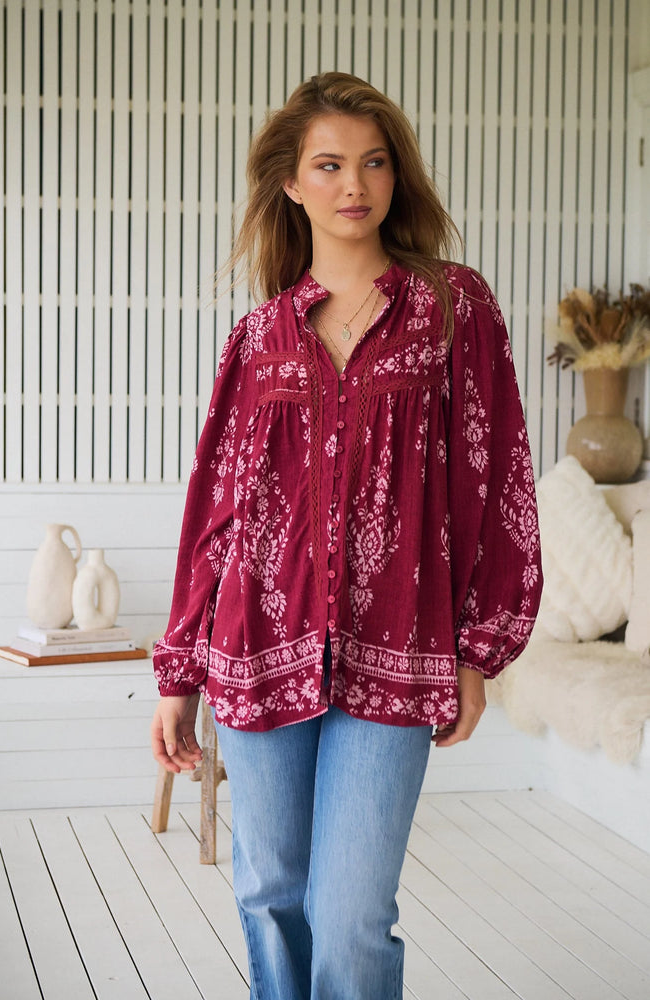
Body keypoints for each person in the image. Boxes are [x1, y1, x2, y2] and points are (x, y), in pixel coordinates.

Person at [150, 71, 542, 1000]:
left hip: (397, 648)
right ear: (290, 182)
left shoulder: (451, 306)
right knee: (269, 893)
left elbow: (495, 480)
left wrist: (477, 650)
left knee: (354, 914)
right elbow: (216, 509)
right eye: (328, 165)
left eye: (373, 162)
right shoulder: (258, 337)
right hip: (255, 647)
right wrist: (178, 671)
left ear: (396, 175)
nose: (354, 184)